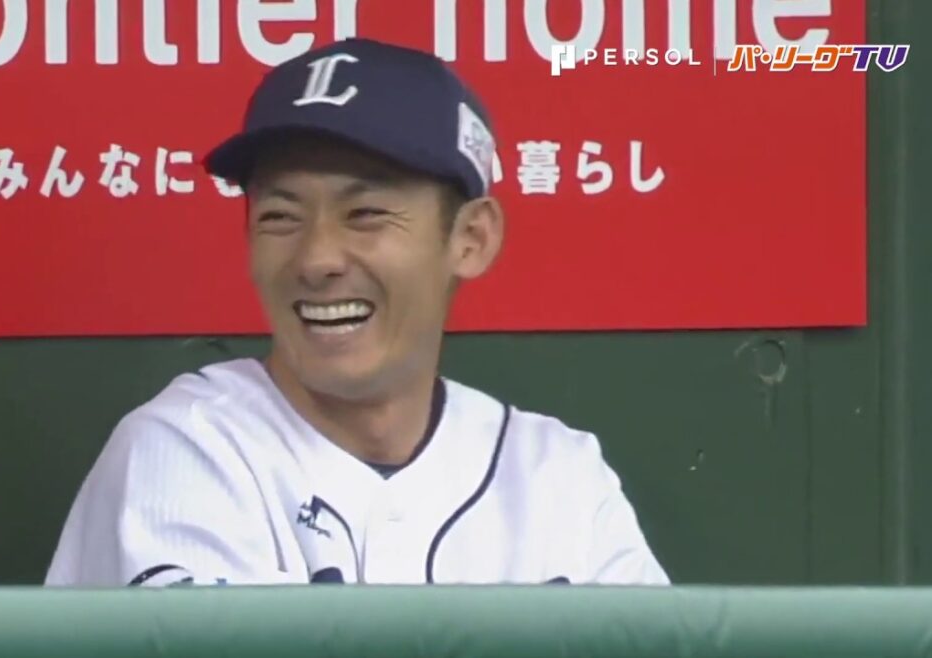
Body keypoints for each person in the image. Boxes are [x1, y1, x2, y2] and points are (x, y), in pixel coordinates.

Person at [44, 37, 669, 587]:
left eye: (365, 214)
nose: (317, 258)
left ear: (470, 238)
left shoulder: (558, 478)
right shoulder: (186, 450)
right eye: (280, 216)